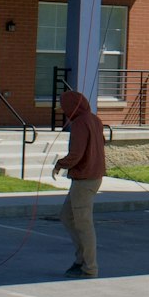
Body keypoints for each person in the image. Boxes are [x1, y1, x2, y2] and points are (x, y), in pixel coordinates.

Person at [52, 90, 106, 279]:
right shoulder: (94, 119)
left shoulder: (80, 123)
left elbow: (76, 154)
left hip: (86, 179)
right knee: (67, 216)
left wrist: (60, 164)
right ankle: (80, 259)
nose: (63, 111)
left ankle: (90, 267)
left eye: (64, 107)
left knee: (84, 224)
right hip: (91, 177)